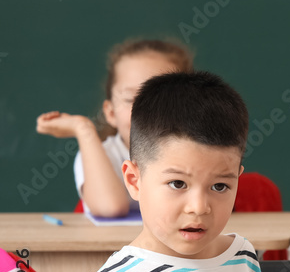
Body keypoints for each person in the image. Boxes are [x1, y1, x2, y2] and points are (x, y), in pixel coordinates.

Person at [74, 71, 266, 272]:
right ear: (134, 181)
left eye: (219, 186)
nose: (199, 208)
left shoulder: (242, 258)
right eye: (177, 183)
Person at [36, 37, 193, 217]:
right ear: (111, 113)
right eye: (130, 99)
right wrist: (83, 129)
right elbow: (110, 208)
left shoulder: (200, 155)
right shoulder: (101, 154)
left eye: (162, 99)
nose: (145, 111)